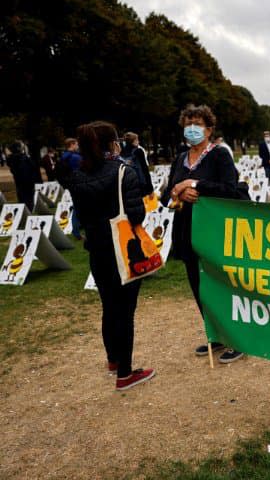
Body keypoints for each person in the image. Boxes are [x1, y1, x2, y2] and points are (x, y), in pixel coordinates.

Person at [57, 121, 155, 390]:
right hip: (123, 250)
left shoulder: (77, 176)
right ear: (113, 142)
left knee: (109, 306)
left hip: (97, 249)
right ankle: (125, 373)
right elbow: (136, 214)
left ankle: (113, 359)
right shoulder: (124, 171)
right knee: (125, 311)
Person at [160, 104, 244, 364]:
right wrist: (178, 191)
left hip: (214, 233)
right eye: (188, 124)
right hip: (186, 233)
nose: (192, 129)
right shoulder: (180, 159)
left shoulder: (219, 155)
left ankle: (237, 339)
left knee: (221, 286)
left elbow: (231, 189)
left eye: (197, 124)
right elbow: (165, 195)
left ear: (208, 129)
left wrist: (195, 184)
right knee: (198, 287)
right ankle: (215, 334)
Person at [60, 138, 83, 239]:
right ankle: (76, 231)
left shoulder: (64, 156)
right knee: (78, 208)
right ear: (72, 144)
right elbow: (80, 171)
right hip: (78, 184)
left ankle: (78, 228)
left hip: (70, 185)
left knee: (78, 207)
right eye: (76, 144)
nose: (77, 146)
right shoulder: (75, 157)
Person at [7, 141, 40, 210]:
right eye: (22, 146)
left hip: (19, 183)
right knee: (28, 202)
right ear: (19, 148)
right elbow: (31, 168)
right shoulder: (23, 158)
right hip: (27, 183)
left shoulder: (12, 158)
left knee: (22, 200)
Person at [121, 132, 153, 197]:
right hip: (141, 185)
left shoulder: (122, 153)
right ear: (133, 141)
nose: (138, 141)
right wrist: (150, 189)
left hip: (129, 186)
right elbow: (145, 170)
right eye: (137, 140)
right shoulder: (138, 151)